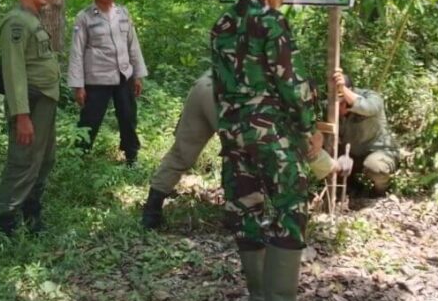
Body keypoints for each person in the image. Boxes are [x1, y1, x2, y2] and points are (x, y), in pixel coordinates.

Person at [211, 0, 324, 301]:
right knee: (292, 203)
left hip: (233, 132)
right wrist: (310, 126)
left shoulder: (223, 22)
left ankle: (258, 298)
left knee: (247, 203)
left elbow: (223, 82)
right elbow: (290, 82)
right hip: (269, 133)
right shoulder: (270, 22)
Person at [140, 71, 349, 229]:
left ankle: (151, 210)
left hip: (205, 85)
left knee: (183, 152)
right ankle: (241, 216)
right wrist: (333, 165)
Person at [0, 0, 63, 236]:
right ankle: (6, 222)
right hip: (31, 103)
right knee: (24, 160)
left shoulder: (32, 19)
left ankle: (31, 214)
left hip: (44, 101)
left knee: (44, 159)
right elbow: (14, 71)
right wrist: (21, 115)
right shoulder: (16, 22)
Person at [67, 0, 148, 166]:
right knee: (90, 119)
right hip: (97, 79)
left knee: (128, 117)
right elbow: (76, 53)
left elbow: (132, 45)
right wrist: (78, 86)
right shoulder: (85, 17)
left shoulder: (122, 14)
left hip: (123, 75)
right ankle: (79, 157)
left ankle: (131, 156)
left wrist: (137, 75)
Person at [331, 70, 401, 196]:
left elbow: (369, 108)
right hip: (352, 154)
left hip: (379, 151)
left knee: (375, 167)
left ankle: (380, 191)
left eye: (341, 102)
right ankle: (352, 188)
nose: (338, 107)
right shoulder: (331, 107)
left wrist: (343, 90)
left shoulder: (371, 98)